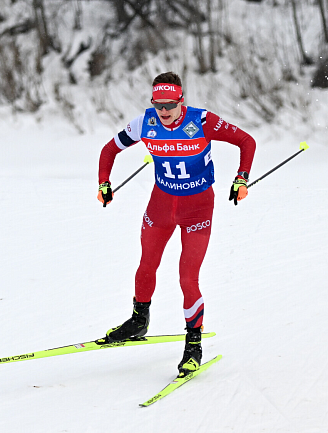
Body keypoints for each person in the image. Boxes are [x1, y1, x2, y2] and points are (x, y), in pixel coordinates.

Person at [96, 72, 256, 378]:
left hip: (197, 209)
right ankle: (138, 321)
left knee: (188, 278)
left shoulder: (203, 121)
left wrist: (241, 178)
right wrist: (104, 183)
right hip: (161, 204)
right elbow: (109, 150)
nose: (164, 110)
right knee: (145, 267)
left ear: (181, 101)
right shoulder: (145, 123)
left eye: (170, 104)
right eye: (158, 104)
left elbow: (246, 141)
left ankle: (193, 346)